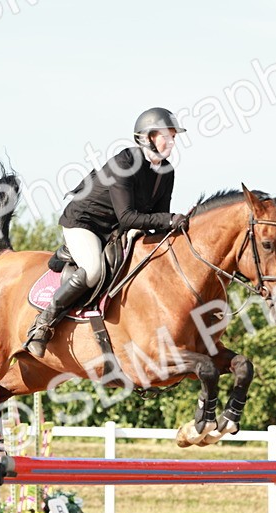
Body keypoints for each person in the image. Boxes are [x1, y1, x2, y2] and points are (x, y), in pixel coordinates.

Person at [24, 107, 191, 357]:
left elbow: (158, 218)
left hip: (115, 229)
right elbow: (127, 216)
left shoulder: (166, 172)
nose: (171, 142)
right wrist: (169, 219)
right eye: (165, 136)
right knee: (93, 272)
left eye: (173, 137)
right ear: (147, 137)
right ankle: (42, 324)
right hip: (85, 223)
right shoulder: (123, 164)